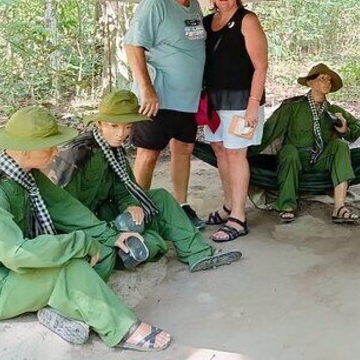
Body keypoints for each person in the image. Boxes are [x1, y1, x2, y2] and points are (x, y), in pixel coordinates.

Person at [0, 107, 170, 351]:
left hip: (19, 276)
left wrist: (110, 236)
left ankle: (59, 309)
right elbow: (16, 254)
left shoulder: (27, 176)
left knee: (102, 252)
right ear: (24, 151)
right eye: (48, 146)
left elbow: (67, 209)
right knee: (70, 268)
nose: (56, 152)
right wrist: (80, 242)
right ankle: (123, 329)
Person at [52, 90, 243, 272]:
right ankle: (135, 247)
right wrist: (108, 232)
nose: (121, 134)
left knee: (160, 197)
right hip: (85, 224)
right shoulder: (80, 155)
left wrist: (130, 204)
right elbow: (66, 210)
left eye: (127, 127)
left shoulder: (114, 151)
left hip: (104, 211)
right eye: (114, 126)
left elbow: (123, 188)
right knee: (153, 241)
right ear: (100, 124)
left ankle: (198, 254)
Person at [123, 0, 207, 229]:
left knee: (183, 151)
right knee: (148, 153)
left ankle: (181, 205)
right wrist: (146, 89)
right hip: (158, 98)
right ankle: (139, 209)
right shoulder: (155, 2)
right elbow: (133, 45)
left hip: (187, 100)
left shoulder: (194, 5)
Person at [247, 63, 360, 226]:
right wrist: (246, 152)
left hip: (321, 160)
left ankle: (339, 207)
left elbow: (357, 128)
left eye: (329, 80)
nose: (327, 83)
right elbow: (269, 131)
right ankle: (287, 204)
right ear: (310, 83)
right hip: (295, 158)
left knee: (341, 146)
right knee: (288, 151)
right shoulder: (292, 107)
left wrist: (344, 129)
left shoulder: (333, 110)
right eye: (322, 78)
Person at [201, 0, 268, 242]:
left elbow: (261, 66)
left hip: (242, 102)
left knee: (236, 153)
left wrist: (253, 104)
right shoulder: (207, 23)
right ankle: (229, 203)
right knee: (220, 150)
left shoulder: (247, 20)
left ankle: (238, 217)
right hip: (214, 102)